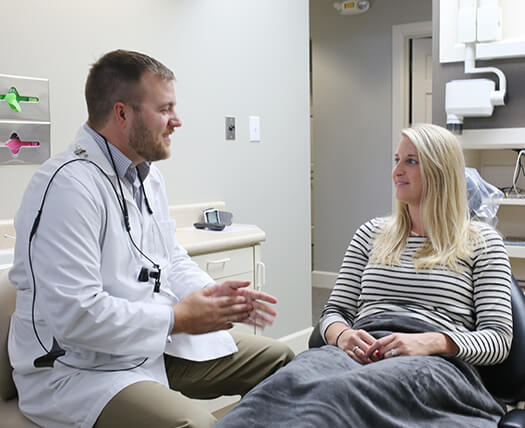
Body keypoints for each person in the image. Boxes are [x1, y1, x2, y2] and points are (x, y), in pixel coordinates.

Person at [8, 49, 294, 428]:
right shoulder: (69, 186)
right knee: (196, 424)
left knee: (284, 364)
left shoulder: (146, 177)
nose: (177, 121)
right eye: (165, 109)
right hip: (79, 370)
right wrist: (178, 318)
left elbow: (170, 259)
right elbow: (77, 317)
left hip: (146, 346)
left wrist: (213, 296)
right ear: (122, 113)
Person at [215, 123, 513, 427]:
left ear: (440, 170)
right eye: (396, 160)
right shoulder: (370, 234)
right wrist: (342, 335)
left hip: (432, 362)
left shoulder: (481, 243)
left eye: (411, 161)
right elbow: (335, 311)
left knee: (337, 397)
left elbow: (498, 339)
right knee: (281, 387)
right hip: (358, 348)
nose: (397, 170)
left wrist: (431, 342)